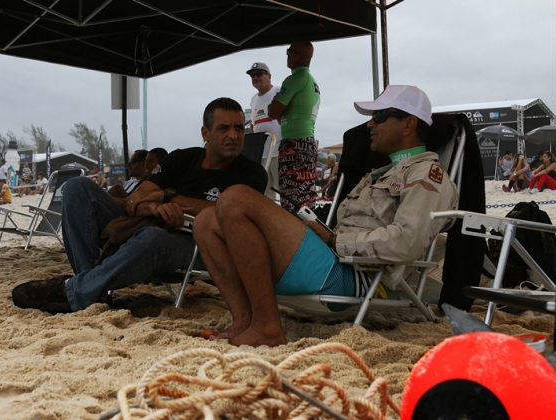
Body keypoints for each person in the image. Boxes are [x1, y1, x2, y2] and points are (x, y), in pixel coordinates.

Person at [193, 85, 458, 346]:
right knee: (206, 221)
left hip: (360, 277)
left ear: (408, 125)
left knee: (236, 197)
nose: (370, 125)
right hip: (334, 260)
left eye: (378, 117)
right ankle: (244, 320)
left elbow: (406, 243)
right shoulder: (380, 173)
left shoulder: (427, 176)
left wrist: (334, 242)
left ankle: (267, 327)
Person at [12, 97, 267, 313]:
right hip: (147, 221)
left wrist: (169, 198)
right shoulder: (182, 159)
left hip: (200, 243)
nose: (234, 136)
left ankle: (76, 292)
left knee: (151, 237)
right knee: (77, 188)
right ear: (205, 133)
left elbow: (230, 213)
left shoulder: (251, 174)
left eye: (239, 128)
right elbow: (138, 198)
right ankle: (92, 289)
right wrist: (155, 208)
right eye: (224, 128)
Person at [268, 41, 321, 213]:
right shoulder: (312, 81)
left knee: (291, 201)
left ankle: (293, 237)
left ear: (299, 54)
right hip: (307, 144)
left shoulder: (293, 80)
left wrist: (276, 101)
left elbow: (273, 112)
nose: (287, 55)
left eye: (289, 51)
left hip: (294, 145)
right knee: (305, 198)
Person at [246, 62, 282, 200]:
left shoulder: (278, 91)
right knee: (265, 193)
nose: (255, 77)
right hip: (261, 153)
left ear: (269, 76)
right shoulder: (253, 99)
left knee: (282, 189)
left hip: (279, 151)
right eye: (252, 76)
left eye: (259, 74)